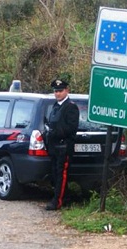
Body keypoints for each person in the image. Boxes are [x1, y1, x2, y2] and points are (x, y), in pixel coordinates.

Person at [45, 79, 79, 210]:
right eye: (56, 91)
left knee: (61, 175)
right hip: (54, 146)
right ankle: (63, 197)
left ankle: (57, 201)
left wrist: (56, 132)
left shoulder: (71, 107)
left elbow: (72, 128)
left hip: (64, 146)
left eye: (60, 91)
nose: (58, 93)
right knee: (54, 174)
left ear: (66, 91)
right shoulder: (55, 106)